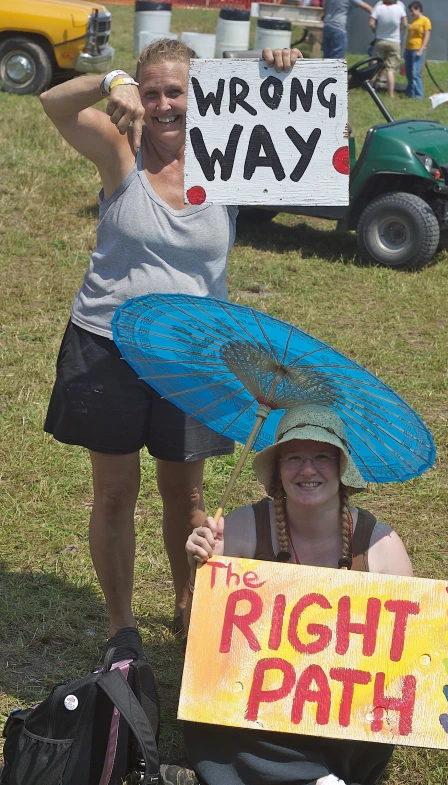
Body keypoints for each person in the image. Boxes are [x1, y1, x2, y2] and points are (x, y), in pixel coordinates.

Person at [39, 41, 303, 660]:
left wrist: (278, 69)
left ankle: (189, 604)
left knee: (186, 496)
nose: (162, 105)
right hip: (108, 342)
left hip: (191, 354)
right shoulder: (120, 150)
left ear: (201, 95)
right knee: (113, 492)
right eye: (152, 91)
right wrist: (111, 80)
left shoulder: (232, 157)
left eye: (175, 92)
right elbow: (53, 103)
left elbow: (314, 136)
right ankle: (120, 625)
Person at [167, 404, 448, 785]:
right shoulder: (239, 529)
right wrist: (201, 574)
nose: (308, 469)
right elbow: (199, 641)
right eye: (294, 458)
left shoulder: (380, 544)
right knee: (220, 719)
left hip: (343, 721)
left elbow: (411, 653)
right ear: (279, 470)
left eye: (322, 458)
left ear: (341, 468)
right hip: (254, 716)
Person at [369, 0, 407, 98]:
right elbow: (405, 23)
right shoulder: (399, 8)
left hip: (380, 40)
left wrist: (376, 30)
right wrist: (399, 29)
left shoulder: (378, 8)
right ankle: (391, 94)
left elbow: (371, 23)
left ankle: (370, 89)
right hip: (394, 41)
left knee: (375, 67)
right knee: (390, 70)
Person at [404, 1, 431, 99]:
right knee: (408, 73)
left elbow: (427, 35)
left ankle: (419, 95)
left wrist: (421, 49)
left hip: (417, 50)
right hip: (408, 49)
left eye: (412, 11)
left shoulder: (425, 20)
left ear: (418, 9)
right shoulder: (413, 21)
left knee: (415, 73)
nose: (411, 13)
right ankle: (410, 93)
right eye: (410, 11)